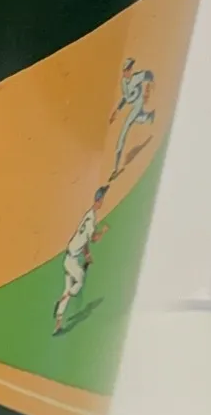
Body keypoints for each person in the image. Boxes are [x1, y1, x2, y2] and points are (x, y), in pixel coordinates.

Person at [53, 186, 109, 335]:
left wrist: (87, 255)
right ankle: (62, 299)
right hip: (71, 261)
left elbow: (84, 240)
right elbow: (93, 238)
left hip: (68, 257)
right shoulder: (91, 220)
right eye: (102, 199)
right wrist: (103, 232)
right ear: (98, 201)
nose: (102, 202)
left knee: (68, 288)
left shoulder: (88, 215)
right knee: (80, 280)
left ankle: (58, 324)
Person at [109, 58, 156, 178]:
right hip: (134, 105)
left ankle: (115, 169)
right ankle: (149, 116)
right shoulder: (124, 83)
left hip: (139, 103)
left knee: (125, 126)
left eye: (130, 68)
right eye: (127, 69)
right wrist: (117, 111)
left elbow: (149, 74)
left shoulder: (136, 77)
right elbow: (125, 98)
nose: (129, 71)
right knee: (138, 119)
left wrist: (148, 87)